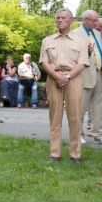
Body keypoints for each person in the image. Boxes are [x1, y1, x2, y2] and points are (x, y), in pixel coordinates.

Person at [39, 8, 88, 162]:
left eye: (63, 18)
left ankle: (75, 155)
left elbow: (83, 63)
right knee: (55, 117)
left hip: (73, 79)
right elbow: (43, 62)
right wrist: (56, 76)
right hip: (53, 78)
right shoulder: (47, 40)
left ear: (71, 21)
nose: (60, 20)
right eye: (58, 18)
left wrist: (66, 76)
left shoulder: (80, 40)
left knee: (75, 117)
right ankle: (55, 154)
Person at [73, 10, 102, 145]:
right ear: (85, 20)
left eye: (97, 20)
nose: (97, 23)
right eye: (94, 20)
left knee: (98, 107)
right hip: (84, 75)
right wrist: (87, 52)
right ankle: (78, 135)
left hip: (99, 73)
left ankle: (99, 134)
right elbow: (74, 57)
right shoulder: (75, 34)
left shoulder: (97, 33)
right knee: (80, 107)